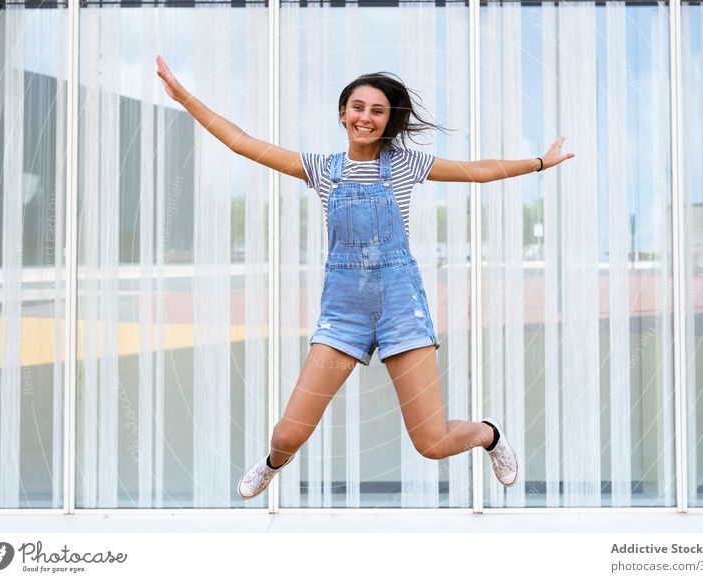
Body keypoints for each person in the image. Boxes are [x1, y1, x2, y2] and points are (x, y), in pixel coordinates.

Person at [155, 56, 574, 500]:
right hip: (343, 315)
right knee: (287, 435)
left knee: (431, 443)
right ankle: (274, 463)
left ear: (387, 120)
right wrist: (183, 96)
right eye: (358, 107)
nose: (366, 118)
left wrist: (539, 163)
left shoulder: (407, 165)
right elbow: (241, 142)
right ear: (343, 113)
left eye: (377, 111)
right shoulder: (321, 168)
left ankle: (488, 435)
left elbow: (479, 171)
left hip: (400, 311)